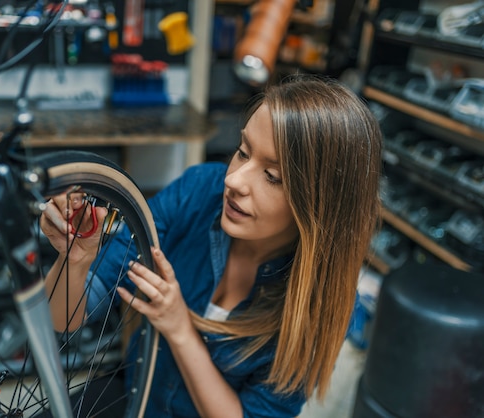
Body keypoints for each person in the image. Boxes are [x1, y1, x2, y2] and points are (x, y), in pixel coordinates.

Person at [40, 75, 383, 418]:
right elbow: (64, 319)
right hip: (136, 398)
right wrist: (76, 260)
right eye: (242, 152)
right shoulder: (198, 192)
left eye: (272, 176)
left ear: (321, 206)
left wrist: (179, 328)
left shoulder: (319, 301)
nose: (233, 181)